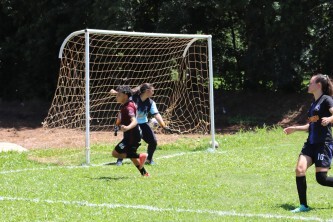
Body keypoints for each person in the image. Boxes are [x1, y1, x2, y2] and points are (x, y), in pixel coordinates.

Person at [283, 74, 333, 213]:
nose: (308, 85)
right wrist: (295, 128)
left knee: (321, 179)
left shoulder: (327, 100)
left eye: (310, 83)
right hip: (310, 144)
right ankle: (303, 206)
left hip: (323, 144)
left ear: (318, 85)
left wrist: (329, 119)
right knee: (299, 170)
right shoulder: (313, 104)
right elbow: (311, 126)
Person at [112, 83, 171, 166]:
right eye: (152, 90)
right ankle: (119, 159)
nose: (154, 92)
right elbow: (122, 112)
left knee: (153, 142)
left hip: (143, 124)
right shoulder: (132, 99)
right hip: (132, 125)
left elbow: (156, 114)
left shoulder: (151, 102)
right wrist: (117, 123)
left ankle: (149, 160)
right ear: (147, 91)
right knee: (127, 142)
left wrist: (163, 125)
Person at [111, 85, 149, 177]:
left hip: (131, 136)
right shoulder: (129, 101)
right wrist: (115, 93)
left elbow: (134, 121)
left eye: (118, 95)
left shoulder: (128, 108)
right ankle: (144, 173)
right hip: (133, 135)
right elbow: (126, 93)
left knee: (115, 153)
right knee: (131, 155)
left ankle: (140, 155)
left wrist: (127, 128)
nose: (117, 96)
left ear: (125, 95)